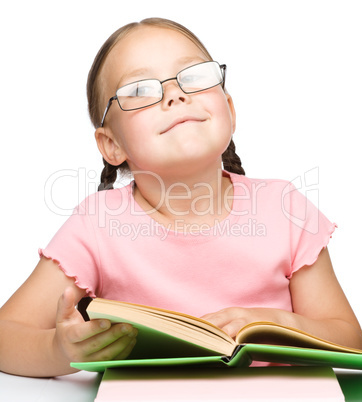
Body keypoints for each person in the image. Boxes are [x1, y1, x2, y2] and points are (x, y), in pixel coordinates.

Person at [0, 17, 361, 378]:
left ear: (230, 111)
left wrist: (279, 324)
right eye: (140, 90)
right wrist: (59, 350)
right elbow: (6, 335)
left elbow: (350, 340)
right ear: (112, 145)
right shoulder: (96, 225)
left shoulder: (287, 208)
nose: (175, 93)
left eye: (194, 76)